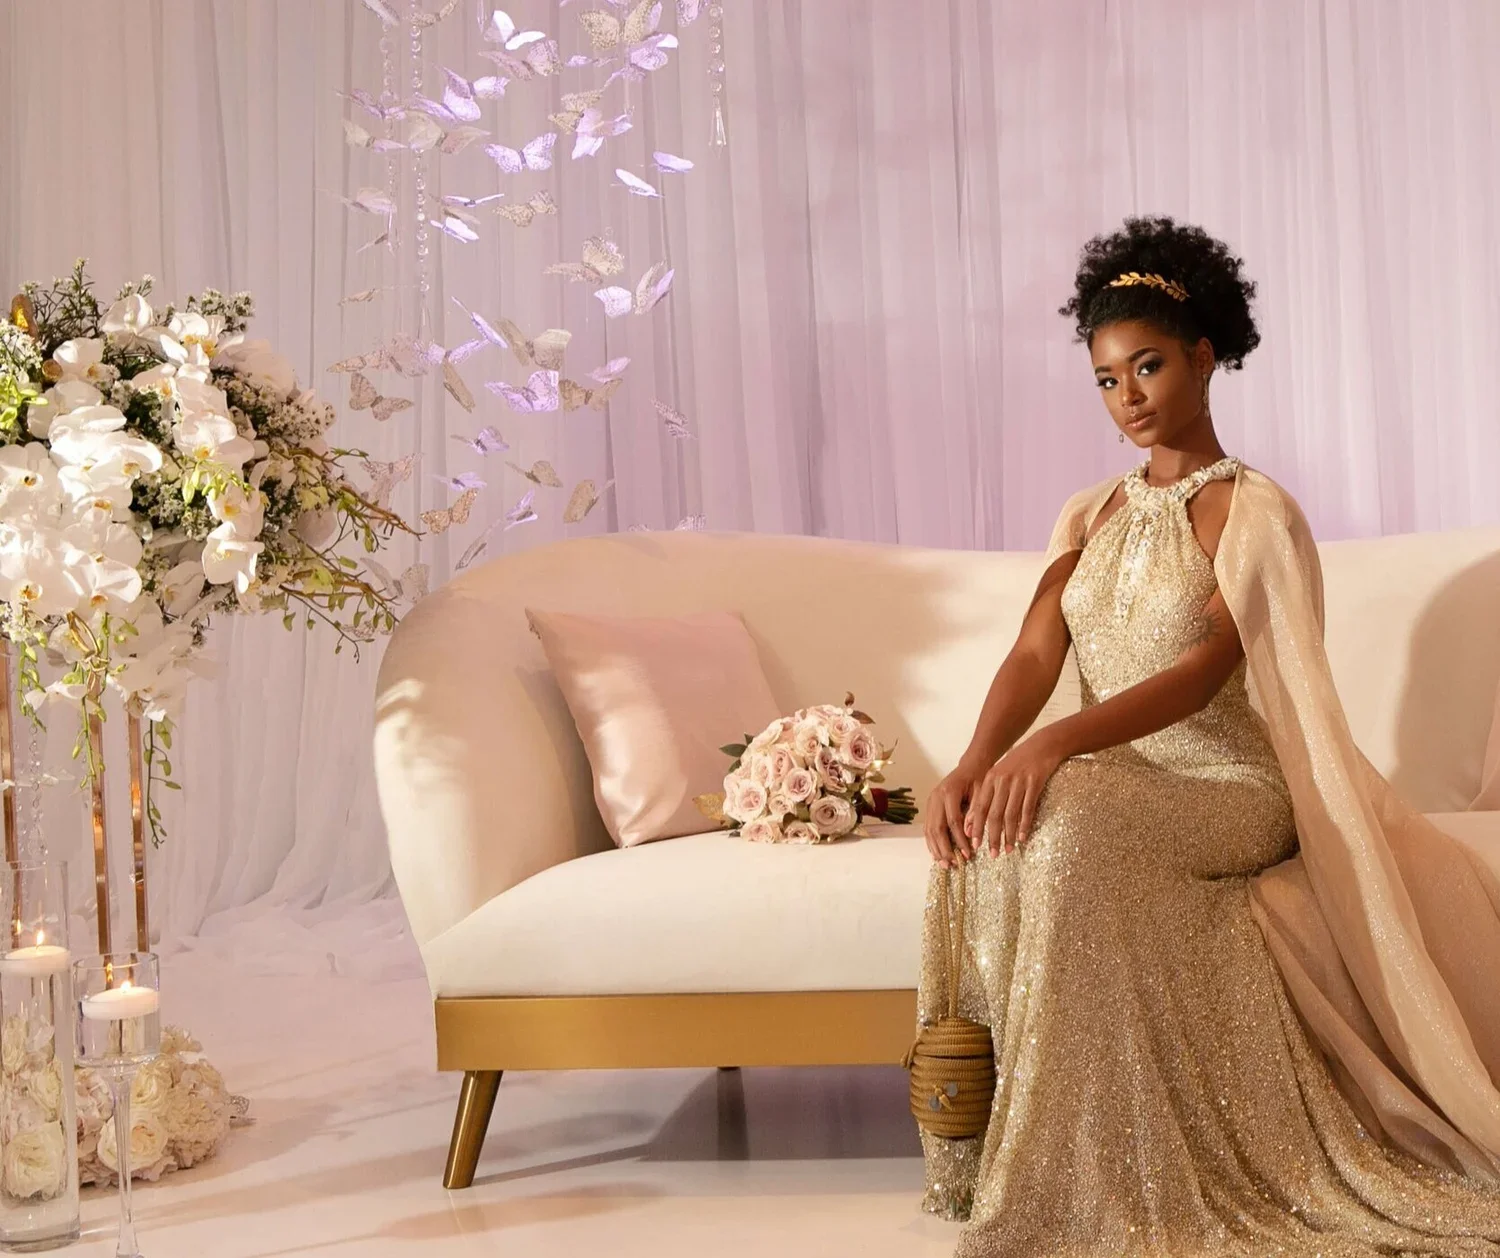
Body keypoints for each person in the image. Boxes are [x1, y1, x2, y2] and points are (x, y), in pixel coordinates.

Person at [914, 216, 1500, 1256]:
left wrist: (1054, 747)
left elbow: (1202, 673)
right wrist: (972, 761)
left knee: (1066, 809)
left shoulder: (1254, 511)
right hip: (1120, 774)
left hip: (1232, 781)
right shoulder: (1088, 514)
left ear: (1203, 356)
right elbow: (1031, 655)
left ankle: (1107, 1166)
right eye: (1104, 379)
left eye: (1145, 366)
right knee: (994, 827)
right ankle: (1032, 1148)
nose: (1127, 396)